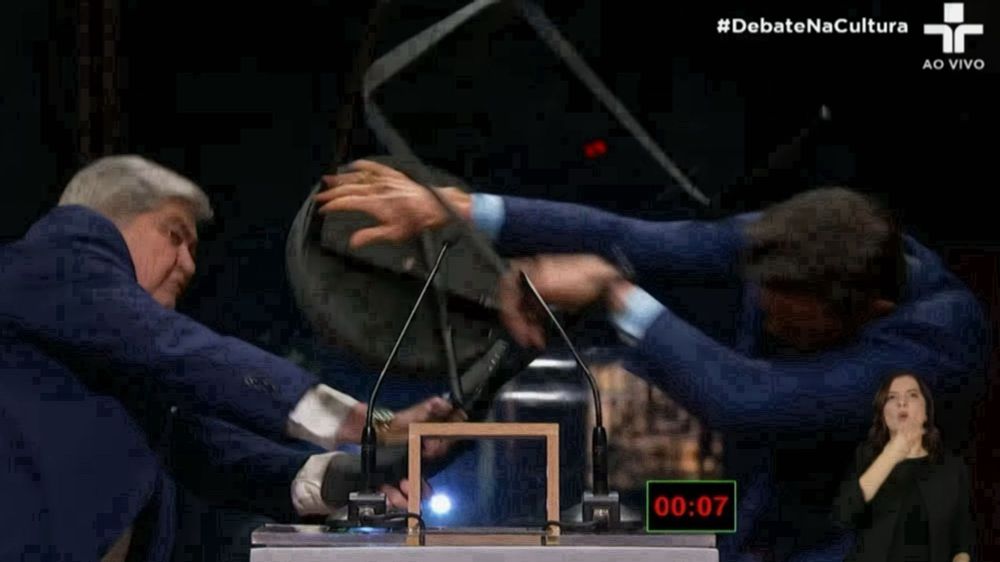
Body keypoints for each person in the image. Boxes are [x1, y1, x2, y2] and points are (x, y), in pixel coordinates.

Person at [313, 159, 988, 561]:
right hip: (770, 509)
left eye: (789, 317)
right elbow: (636, 237)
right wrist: (458, 209)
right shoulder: (806, 243)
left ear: (868, 310)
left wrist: (613, 292)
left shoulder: (935, 349)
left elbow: (753, 402)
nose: (771, 322)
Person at [0, 155, 452, 562]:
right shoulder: (59, 254)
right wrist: (369, 422)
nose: (189, 265)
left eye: (194, 249)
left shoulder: (114, 358)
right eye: (174, 235)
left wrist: (358, 475)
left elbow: (218, 454)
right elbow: (182, 350)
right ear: (106, 218)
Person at [834, 372, 974, 562]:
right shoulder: (865, 457)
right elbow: (844, 515)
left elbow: (963, 538)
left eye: (912, 395)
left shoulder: (952, 466)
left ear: (926, 411)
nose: (902, 402)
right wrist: (890, 455)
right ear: (883, 414)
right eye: (892, 397)